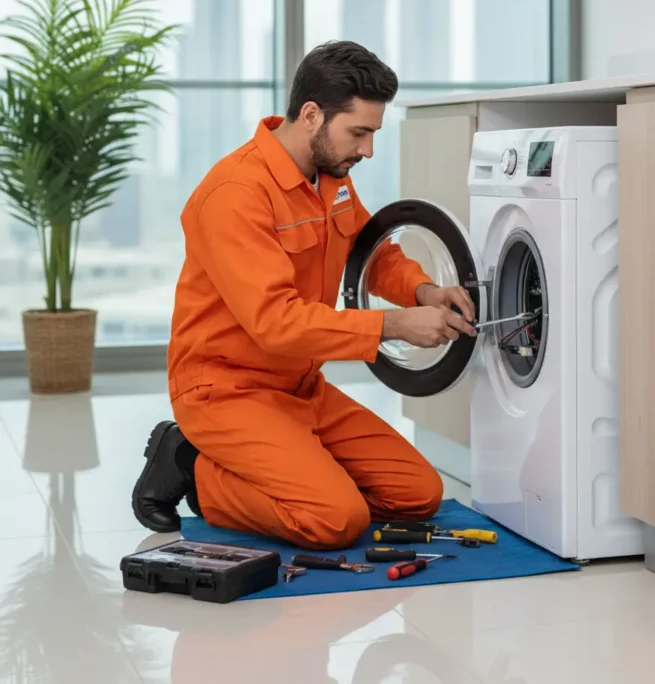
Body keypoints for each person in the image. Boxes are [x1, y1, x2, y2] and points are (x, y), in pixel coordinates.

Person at [131, 41, 477, 550]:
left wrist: (422, 290)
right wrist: (393, 326)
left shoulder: (331, 178)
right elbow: (276, 322)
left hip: (299, 387)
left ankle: (296, 474)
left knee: (419, 494)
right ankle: (190, 464)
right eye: (359, 132)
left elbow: (371, 254)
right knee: (336, 521)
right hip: (225, 390)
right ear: (312, 115)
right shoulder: (235, 194)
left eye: (373, 133)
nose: (368, 150)